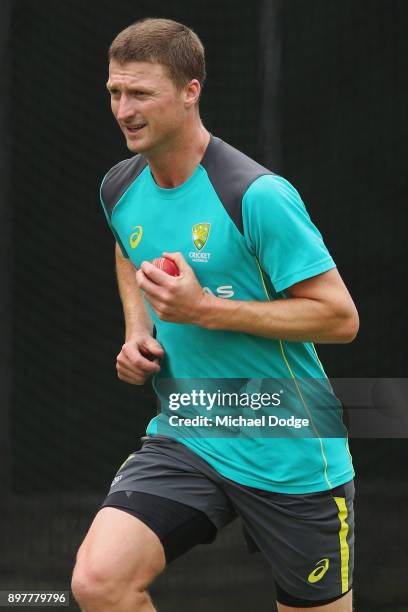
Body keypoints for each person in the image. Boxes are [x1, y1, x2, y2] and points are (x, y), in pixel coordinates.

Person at [71, 17, 359, 612]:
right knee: (99, 584)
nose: (123, 109)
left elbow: (339, 318)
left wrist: (204, 309)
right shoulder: (119, 188)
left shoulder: (256, 195)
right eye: (114, 93)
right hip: (188, 434)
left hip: (289, 449)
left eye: (141, 93)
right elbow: (129, 245)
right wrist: (138, 330)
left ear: (190, 91)